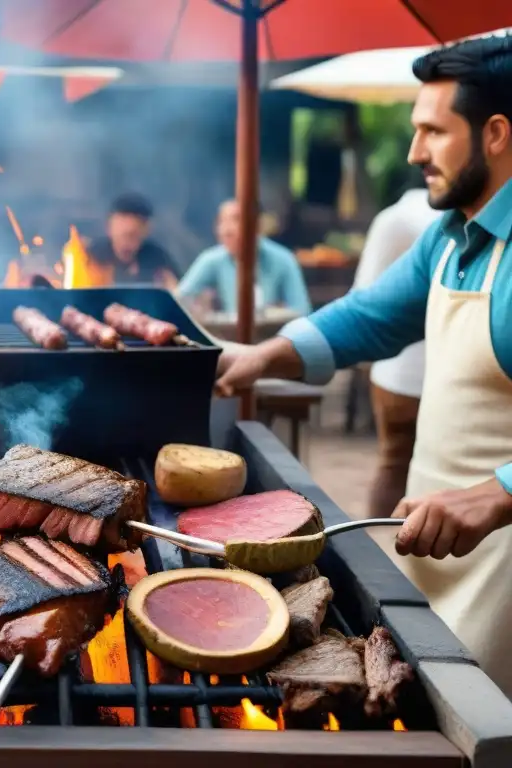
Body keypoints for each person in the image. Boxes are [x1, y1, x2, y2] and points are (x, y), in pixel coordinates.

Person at [216, 35, 512, 697]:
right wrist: (261, 357)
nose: (413, 152)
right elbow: (371, 315)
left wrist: (499, 491)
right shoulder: (451, 233)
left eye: (433, 131)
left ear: (495, 134)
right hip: (439, 555)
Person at [351, 173, 441, 518]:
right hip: (439, 369)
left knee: (392, 462)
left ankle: (381, 552)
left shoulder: (393, 218)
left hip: (397, 373)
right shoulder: (457, 216)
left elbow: (364, 295)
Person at [177, 199, 312, 316]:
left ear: (257, 225)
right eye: (221, 221)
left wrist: (278, 312)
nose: (226, 230)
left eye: (236, 220)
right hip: (229, 337)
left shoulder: (284, 259)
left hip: (275, 337)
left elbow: (302, 310)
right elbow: (181, 298)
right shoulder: (212, 259)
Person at [85, 192, 180, 289]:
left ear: (146, 231)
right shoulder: (90, 258)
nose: (126, 243)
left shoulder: (159, 262)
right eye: (122, 236)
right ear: (109, 228)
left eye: (133, 236)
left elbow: (179, 296)